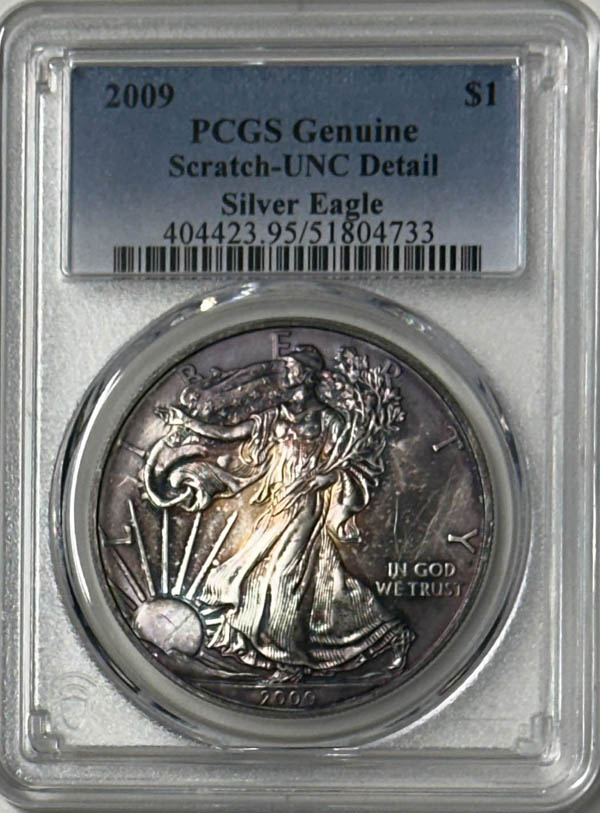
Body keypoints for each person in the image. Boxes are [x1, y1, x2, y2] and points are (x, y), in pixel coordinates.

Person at [146, 346, 414, 677]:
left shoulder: (329, 421)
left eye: (290, 370)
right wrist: (186, 421)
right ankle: (384, 634)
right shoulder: (274, 416)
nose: (283, 375)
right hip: (275, 504)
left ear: (307, 376)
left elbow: (356, 465)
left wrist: (327, 477)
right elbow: (229, 435)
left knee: (283, 577)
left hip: (305, 505)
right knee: (260, 575)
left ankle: (290, 660)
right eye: (284, 370)